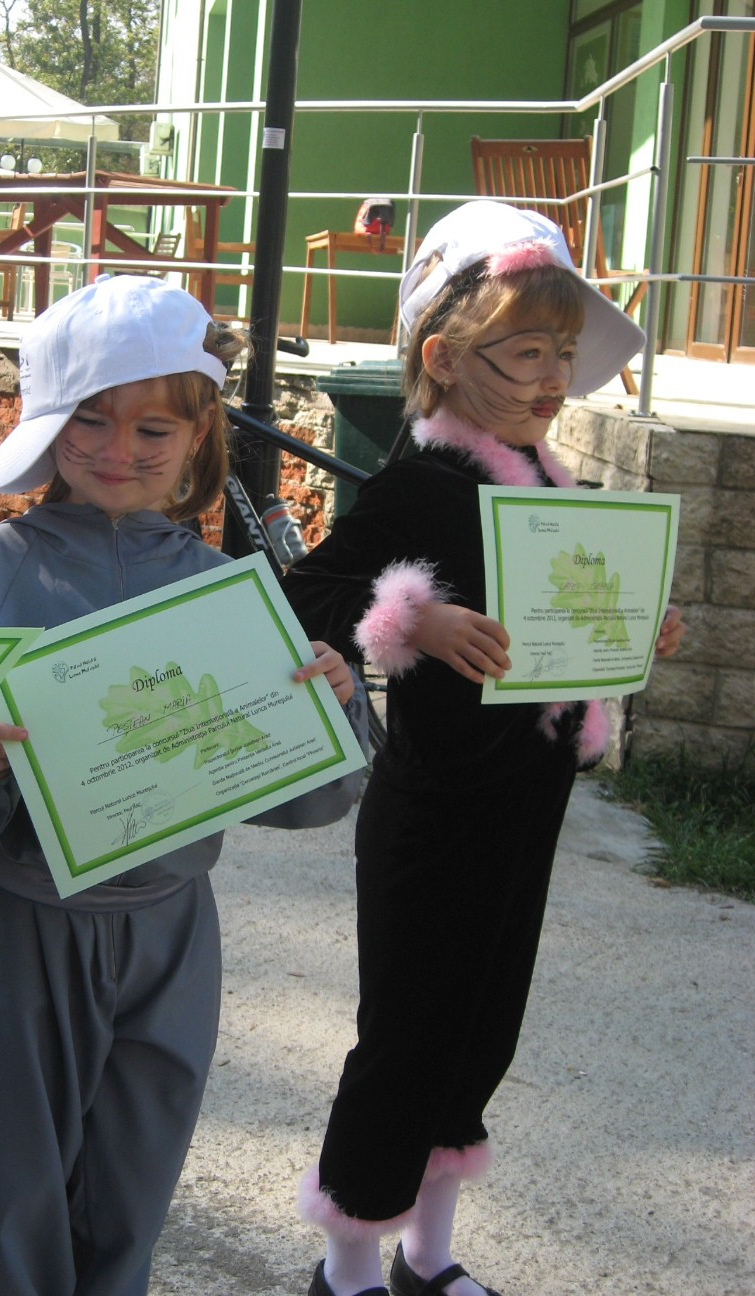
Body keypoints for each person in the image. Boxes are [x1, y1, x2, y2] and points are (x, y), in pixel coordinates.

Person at [0, 273, 365, 1296]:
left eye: (153, 428)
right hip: (20, 922)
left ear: (199, 433)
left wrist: (328, 706)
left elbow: (306, 797)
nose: (118, 450)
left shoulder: (225, 591)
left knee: (134, 1179)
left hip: (171, 929)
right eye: (89, 420)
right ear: (46, 424)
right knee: (2, 1190)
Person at [284, 201, 685, 1296]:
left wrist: (633, 623)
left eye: (565, 353)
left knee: (479, 1029)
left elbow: (571, 608)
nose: (556, 377)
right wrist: (412, 621)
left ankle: (428, 1255)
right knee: (406, 1037)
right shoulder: (420, 481)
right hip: (434, 813)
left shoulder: (545, 477)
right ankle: (346, 1266)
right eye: (528, 353)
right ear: (446, 358)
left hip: (525, 802)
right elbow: (308, 591)